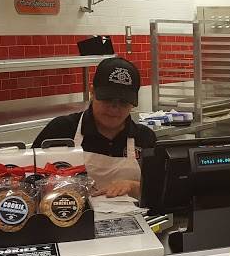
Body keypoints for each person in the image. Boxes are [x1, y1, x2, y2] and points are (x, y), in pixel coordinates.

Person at [33, 56, 156, 198]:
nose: (114, 108)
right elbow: (29, 182)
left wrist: (133, 186)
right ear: (92, 92)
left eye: (123, 102)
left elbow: (159, 190)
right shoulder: (61, 129)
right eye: (107, 99)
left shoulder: (144, 138)